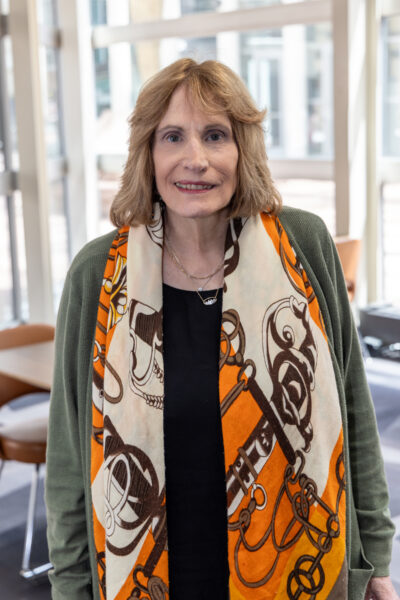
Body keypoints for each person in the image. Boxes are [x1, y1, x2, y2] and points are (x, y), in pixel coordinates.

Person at [45, 58, 398, 600]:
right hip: (153, 579)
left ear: (243, 149)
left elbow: (354, 413)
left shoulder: (303, 246)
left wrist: (375, 558)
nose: (196, 159)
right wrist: (70, 588)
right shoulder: (99, 275)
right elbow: (71, 461)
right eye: (172, 137)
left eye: (215, 135)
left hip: (295, 565)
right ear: (148, 153)